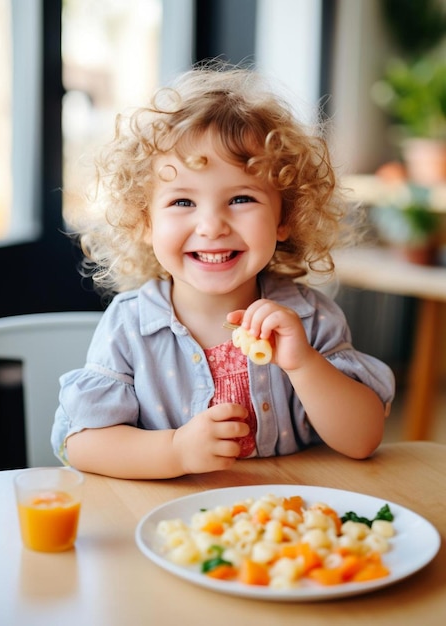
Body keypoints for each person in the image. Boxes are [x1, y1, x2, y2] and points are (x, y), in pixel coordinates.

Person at [51, 62, 395, 479]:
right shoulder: (129, 327)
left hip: (285, 525)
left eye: (241, 199)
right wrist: (175, 451)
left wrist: (304, 363)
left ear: (284, 216)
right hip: (173, 530)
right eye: (182, 203)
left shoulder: (311, 319)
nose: (212, 226)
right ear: (144, 223)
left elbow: (363, 439)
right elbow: (83, 443)